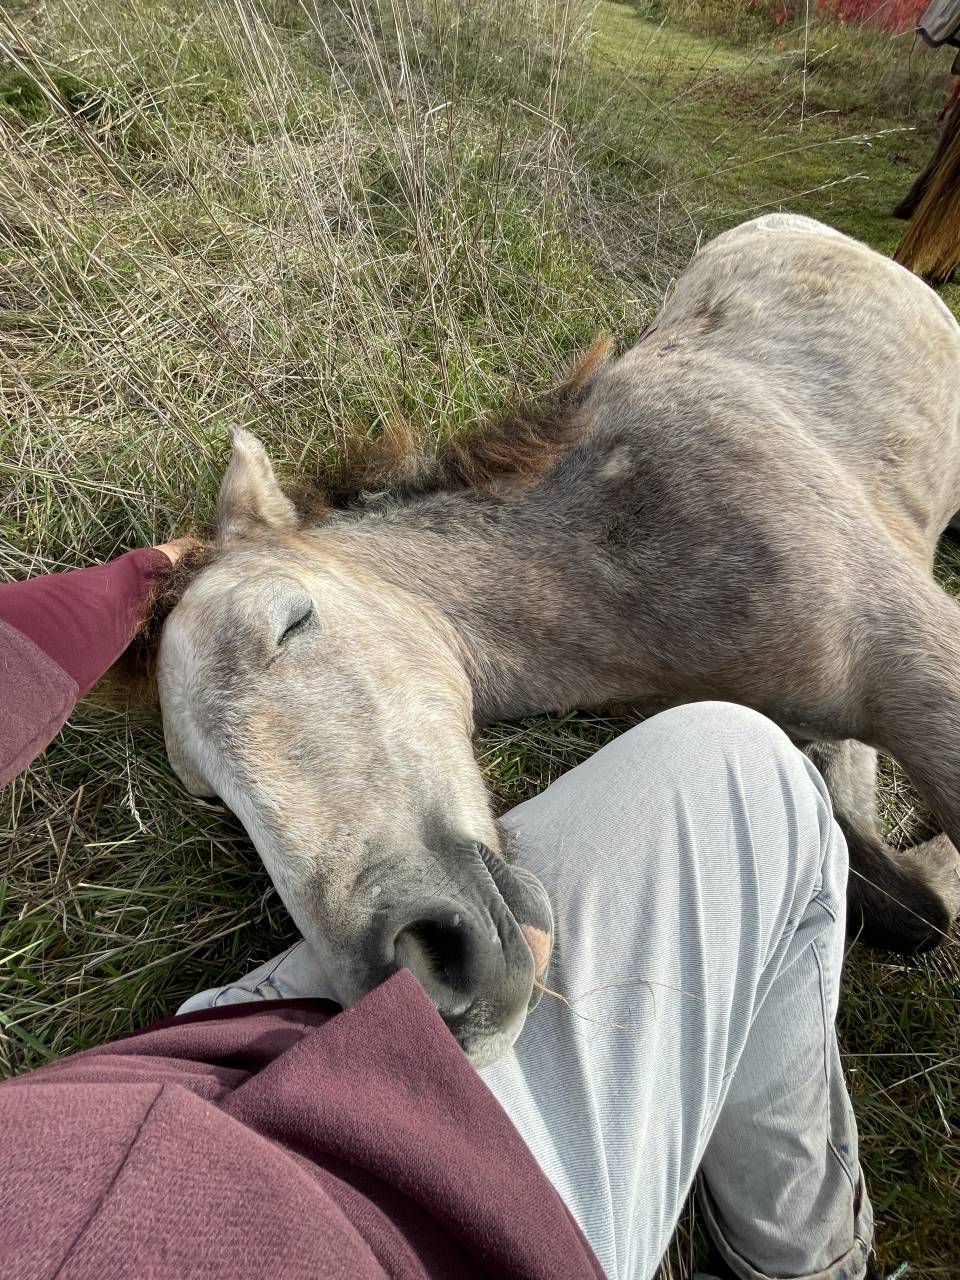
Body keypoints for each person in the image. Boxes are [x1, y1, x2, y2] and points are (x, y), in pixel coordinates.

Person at [0, 547, 883, 1280]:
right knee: (742, 769)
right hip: (451, 1206)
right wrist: (146, 571)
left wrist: (141, 578)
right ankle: (814, 1260)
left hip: (186, 1063)